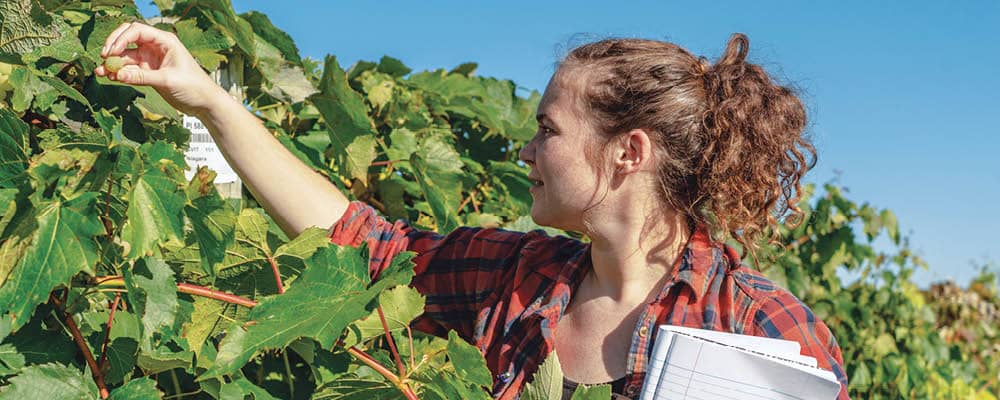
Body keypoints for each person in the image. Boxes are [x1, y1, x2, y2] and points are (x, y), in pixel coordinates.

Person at [98, 22, 849, 400]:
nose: (526, 151)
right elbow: (364, 245)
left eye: (549, 130)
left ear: (629, 152)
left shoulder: (760, 331)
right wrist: (208, 100)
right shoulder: (514, 276)